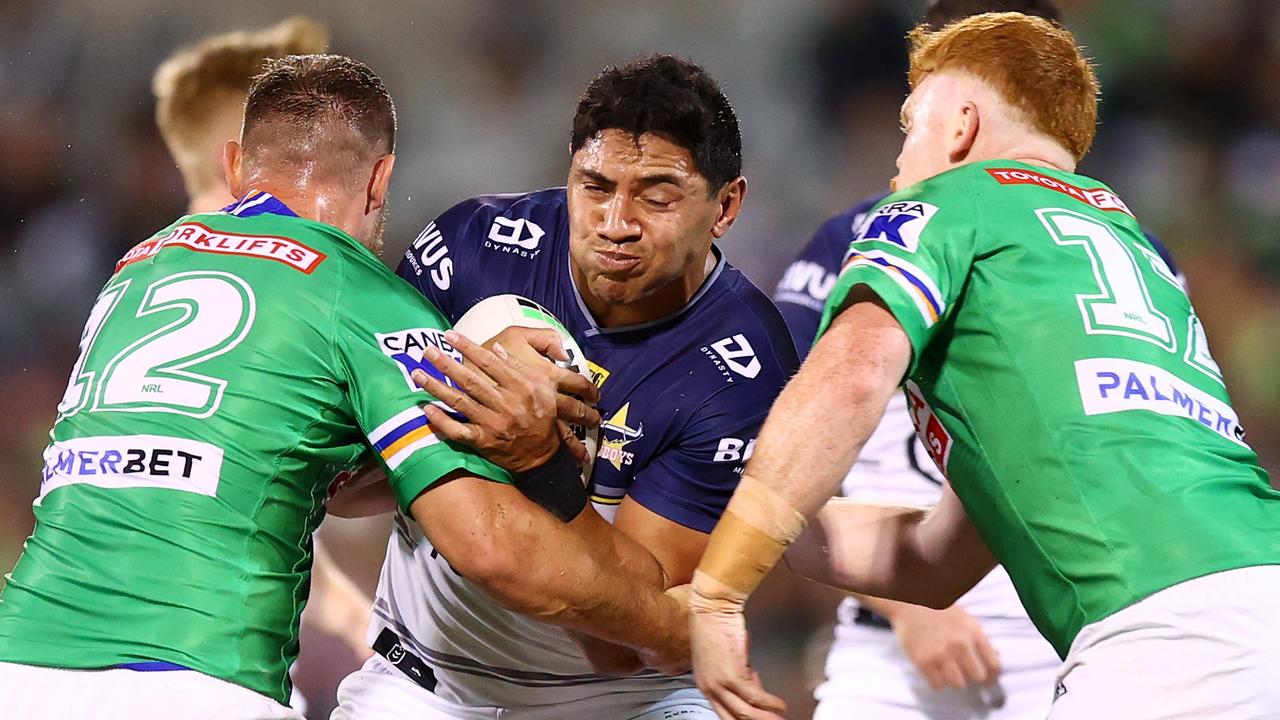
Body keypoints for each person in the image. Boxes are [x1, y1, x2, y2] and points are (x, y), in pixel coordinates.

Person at [0, 54, 688, 720]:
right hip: (193, 679)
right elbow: (488, 546)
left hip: (19, 664)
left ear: (237, 167)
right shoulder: (354, 291)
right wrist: (671, 626)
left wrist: (463, 381)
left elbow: (274, 443)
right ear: (380, 179)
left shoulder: (138, 267)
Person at [690, 13, 1280, 720]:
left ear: (961, 124)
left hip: (1160, 641)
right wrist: (762, 524)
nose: (897, 162)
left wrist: (718, 592)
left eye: (912, 126)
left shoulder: (947, 205)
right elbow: (940, 560)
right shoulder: (1131, 243)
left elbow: (850, 377)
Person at [332, 54, 799, 719]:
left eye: (658, 195)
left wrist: (543, 465)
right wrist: (458, 383)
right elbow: (348, 492)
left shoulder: (745, 369)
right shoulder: (471, 250)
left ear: (726, 206)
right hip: (424, 680)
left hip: (626, 699)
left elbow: (632, 641)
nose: (617, 223)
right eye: (596, 186)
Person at [771, 2, 1177, 718]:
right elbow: (768, 431)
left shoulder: (877, 234)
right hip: (898, 642)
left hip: (1059, 631)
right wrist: (905, 610)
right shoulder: (1134, 246)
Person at [152, 21, 375, 713]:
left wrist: (355, 621)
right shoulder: (289, 288)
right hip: (199, 668)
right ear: (241, 156)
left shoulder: (140, 282)